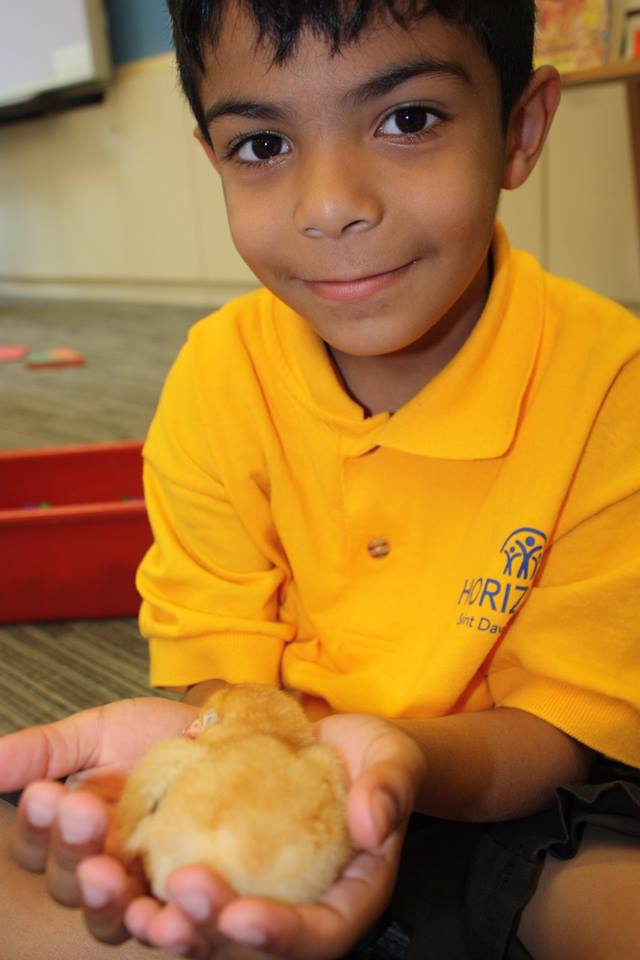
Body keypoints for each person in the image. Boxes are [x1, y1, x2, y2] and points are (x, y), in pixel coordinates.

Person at [1, 1, 639, 958]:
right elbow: (213, 655)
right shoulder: (218, 376)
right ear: (211, 155)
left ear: (520, 131)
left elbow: (561, 723)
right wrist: (244, 760)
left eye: (407, 120)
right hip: (280, 791)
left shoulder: (613, 383)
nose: (329, 202)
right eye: (262, 143)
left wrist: (398, 768)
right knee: (56, 858)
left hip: (520, 802)